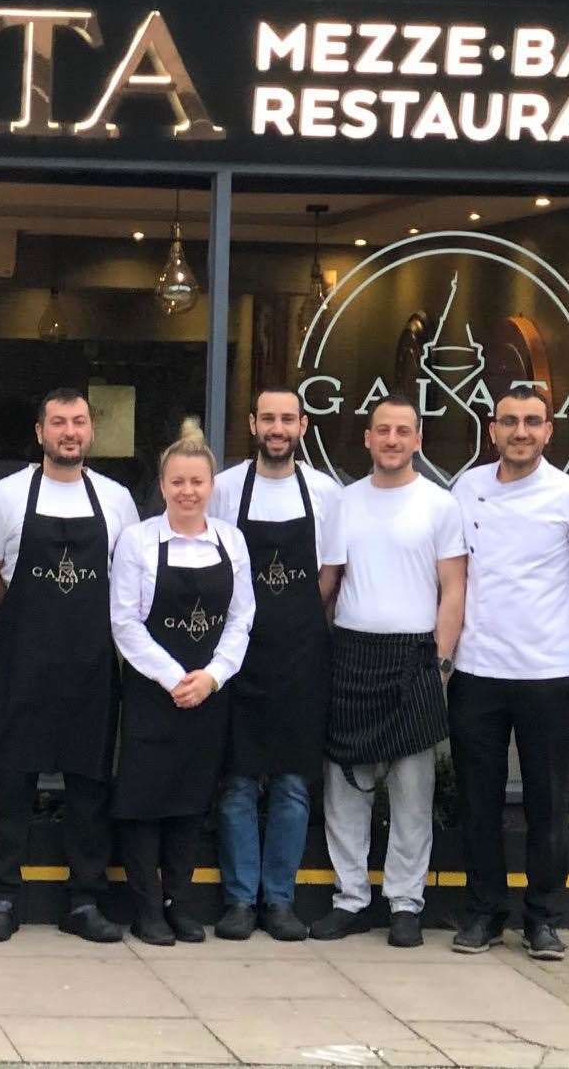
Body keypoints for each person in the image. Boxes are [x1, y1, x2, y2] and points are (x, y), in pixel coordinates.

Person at [448, 386, 569, 961]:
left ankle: (542, 918)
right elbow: (451, 576)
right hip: (475, 670)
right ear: (492, 430)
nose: (520, 431)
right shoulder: (466, 488)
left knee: (547, 803)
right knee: (477, 801)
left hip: (547, 675)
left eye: (532, 422)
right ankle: (484, 913)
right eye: (510, 422)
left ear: (549, 431)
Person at [0, 387, 139, 943]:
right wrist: (23, 616)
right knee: (8, 778)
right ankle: (0, 894)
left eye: (79, 422)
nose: (70, 432)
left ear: (91, 432)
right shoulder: (4, 496)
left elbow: (127, 580)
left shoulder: (116, 500)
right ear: (39, 432)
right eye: (59, 422)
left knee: (89, 782)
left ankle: (85, 900)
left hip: (90, 660)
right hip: (21, 658)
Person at [312, 394, 466, 949]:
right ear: (368, 439)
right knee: (345, 787)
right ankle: (349, 898)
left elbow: (454, 589)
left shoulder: (439, 505)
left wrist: (441, 664)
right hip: (352, 651)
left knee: (411, 789)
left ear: (417, 439)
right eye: (383, 430)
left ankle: (405, 903)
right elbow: (327, 586)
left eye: (404, 431)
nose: (393, 440)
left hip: (415, 658)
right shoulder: (344, 503)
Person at [109, 419, 254, 946]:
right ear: (163, 486)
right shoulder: (138, 541)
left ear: (211, 486)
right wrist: (176, 678)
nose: (188, 491)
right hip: (154, 690)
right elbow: (124, 622)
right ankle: (147, 909)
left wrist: (212, 676)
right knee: (145, 801)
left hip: (209, 692)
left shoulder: (232, 542)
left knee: (192, 802)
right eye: (178, 482)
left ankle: (180, 905)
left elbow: (242, 618)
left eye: (197, 482)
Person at [208, 386, 345, 942]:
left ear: (303, 425)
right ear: (252, 422)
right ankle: (240, 901)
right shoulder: (222, 488)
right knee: (238, 783)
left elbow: (331, 574)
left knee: (291, 784)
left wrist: (302, 623)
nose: (278, 427)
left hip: (300, 656)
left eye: (288, 418)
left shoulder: (326, 493)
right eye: (268, 417)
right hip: (237, 656)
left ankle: (280, 902)